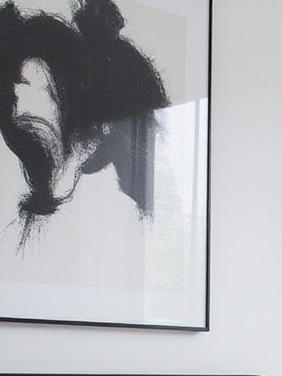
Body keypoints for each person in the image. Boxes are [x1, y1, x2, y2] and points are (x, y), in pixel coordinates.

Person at [0, 0, 169, 256]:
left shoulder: (120, 218)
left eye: (44, 93)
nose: (19, 109)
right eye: (16, 90)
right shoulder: (23, 222)